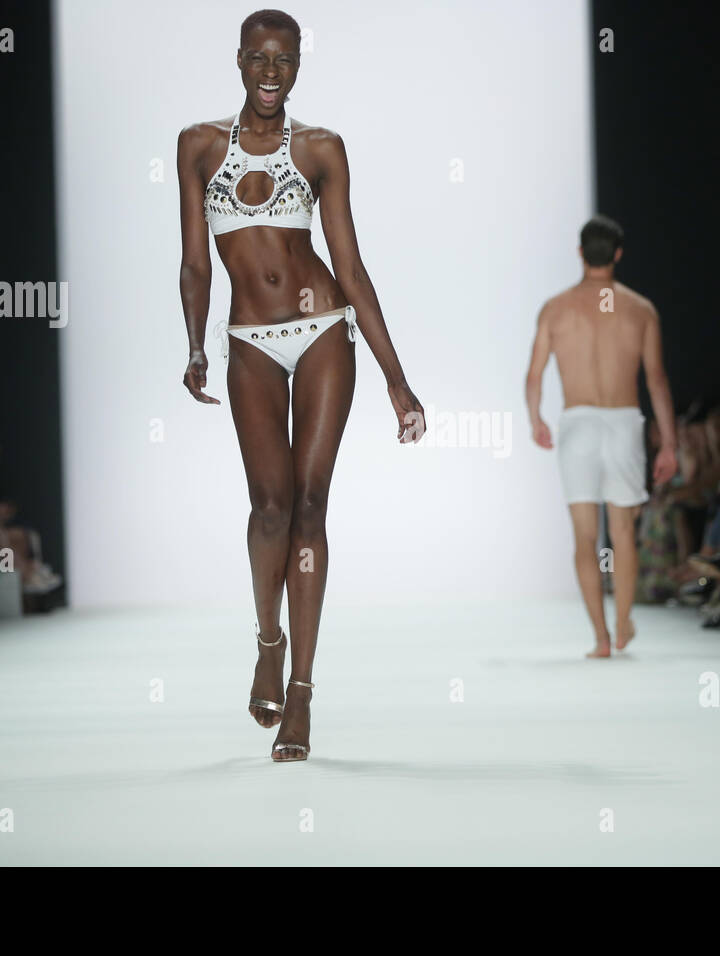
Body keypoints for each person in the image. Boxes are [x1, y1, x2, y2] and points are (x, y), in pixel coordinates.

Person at [176, 9, 425, 762]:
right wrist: (194, 346)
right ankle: (268, 641)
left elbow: (349, 268)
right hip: (249, 341)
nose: (271, 71)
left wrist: (398, 380)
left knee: (312, 506)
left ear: (297, 66)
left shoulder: (321, 149)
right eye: (259, 57)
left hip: (321, 333)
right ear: (240, 60)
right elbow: (194, 263)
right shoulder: (198, 147)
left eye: (284, 59)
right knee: (270, 506)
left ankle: (303, 697)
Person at [525, 215, 678, 657]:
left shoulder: (555, 309)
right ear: (617, 254)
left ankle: (600, 638)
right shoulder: (640, 309)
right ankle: (624, 619)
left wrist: (536, 417)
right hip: (624, 422)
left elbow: (534, 375)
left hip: (578, 425)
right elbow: (657, 380)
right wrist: (669, 442)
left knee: (584, 536)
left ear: (579, 252)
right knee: (624, 533)